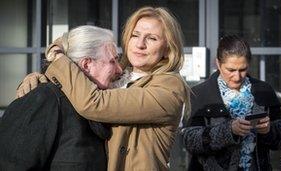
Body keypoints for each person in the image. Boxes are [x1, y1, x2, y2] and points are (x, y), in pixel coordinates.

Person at [16, 6, 191, 171]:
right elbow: (78, 77)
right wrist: (41, 79)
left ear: (168, 49)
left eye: (152, 38)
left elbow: (94, 103)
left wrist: (57, 55)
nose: (140, 44)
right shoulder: (119, 75)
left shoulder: (170, 87)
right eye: (135, 35)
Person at [0, 25, 122, 170]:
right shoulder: (44, 100)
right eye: (112, 61)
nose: (119, 70)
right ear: (87, 64)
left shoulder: (102, 106)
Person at [181, 35, 281, 171]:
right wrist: (229, 131)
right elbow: (189, 141)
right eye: (231, 70)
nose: (237, 76)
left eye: (243, 69)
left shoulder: (264, 90)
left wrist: (269, 131)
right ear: (218, 64)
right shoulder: (198, 93)